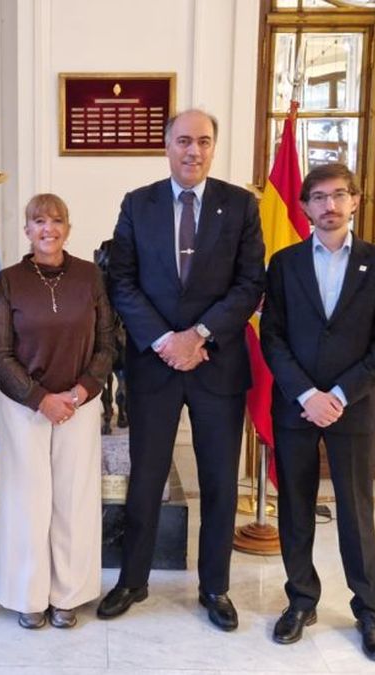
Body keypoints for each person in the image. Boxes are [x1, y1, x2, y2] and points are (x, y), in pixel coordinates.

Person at [99, 109, 265, 631]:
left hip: (218, 365)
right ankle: (133, 579)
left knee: (218, 480)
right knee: (146, 477)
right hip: (156, 364)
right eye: (183, 141)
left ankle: (214, 587)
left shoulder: (240, 205)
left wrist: (199, 336)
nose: (194, 151)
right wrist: (166, 339)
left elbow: (249, 283)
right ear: (167, 146)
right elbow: (121, 281)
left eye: (204, 142)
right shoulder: (137, 204)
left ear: (214, 148)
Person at [259, 162, 375, 662]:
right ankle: (301, 600)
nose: (330, 206)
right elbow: (272, 337)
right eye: (318, 197)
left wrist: (339, 394)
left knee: (356, 512)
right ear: (304, 207)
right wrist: (306, 395)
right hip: (296, 406)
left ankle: (368, 610)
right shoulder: (285, 263)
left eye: (339, 195)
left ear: (356, 201)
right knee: (295, 506)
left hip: (353, 409)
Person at [0, 193, 116, 630]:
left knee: (74, 500)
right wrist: (40, 397)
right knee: (29, 501)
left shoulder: (90, 276)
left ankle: (68, 594)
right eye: (39, 221)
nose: (49, 228)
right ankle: (28, 595)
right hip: (26, 407)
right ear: (27, 230)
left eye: (57, 220)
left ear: (67, 227)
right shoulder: (8, 281)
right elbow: (0, 352)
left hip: (79, 404)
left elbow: (106, 343)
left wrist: (79, 393)